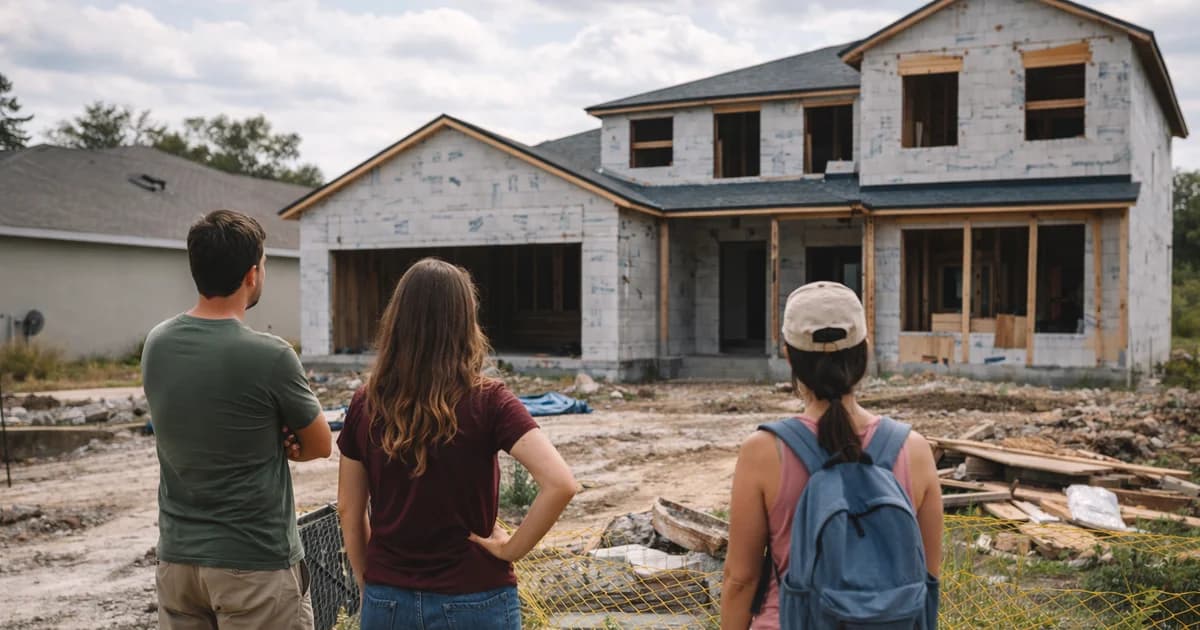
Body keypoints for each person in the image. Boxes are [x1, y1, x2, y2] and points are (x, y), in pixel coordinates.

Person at [337, 258, 578, 630]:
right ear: (466, 322)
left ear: (396, 320)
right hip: (475, 597)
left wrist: (367, 578)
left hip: (388, 600)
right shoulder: (490, 400)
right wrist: (509, 550)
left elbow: (349, 510)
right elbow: (560, 483)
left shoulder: (366, 402)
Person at [142, 209, 332, 630]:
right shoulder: (271, 355)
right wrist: (284, 443)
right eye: (264, 265)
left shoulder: (157, 344)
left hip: (178, 562)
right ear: (251, 275)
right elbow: (321, 444)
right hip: (254, 564)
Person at [719, 281, 943, 629]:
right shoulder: (913, 449)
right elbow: (927, 577)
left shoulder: (763, 451)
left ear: (789, 355)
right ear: (864, 352)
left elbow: (740, 579)